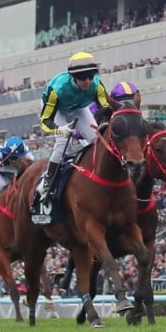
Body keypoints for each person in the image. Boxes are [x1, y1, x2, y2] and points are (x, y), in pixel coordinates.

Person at [30, 52, 110, 222]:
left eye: (90, 76)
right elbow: (45, 122)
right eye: (82, 78)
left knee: (97, 139)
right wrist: (60, 130)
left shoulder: (97, 85)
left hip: (79, 107)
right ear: (73, 77)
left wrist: (104, 125)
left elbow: (106, 109)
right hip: (56, 109)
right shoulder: (57, 89)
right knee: (62, 142)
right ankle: (47, 184)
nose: (87, 81)